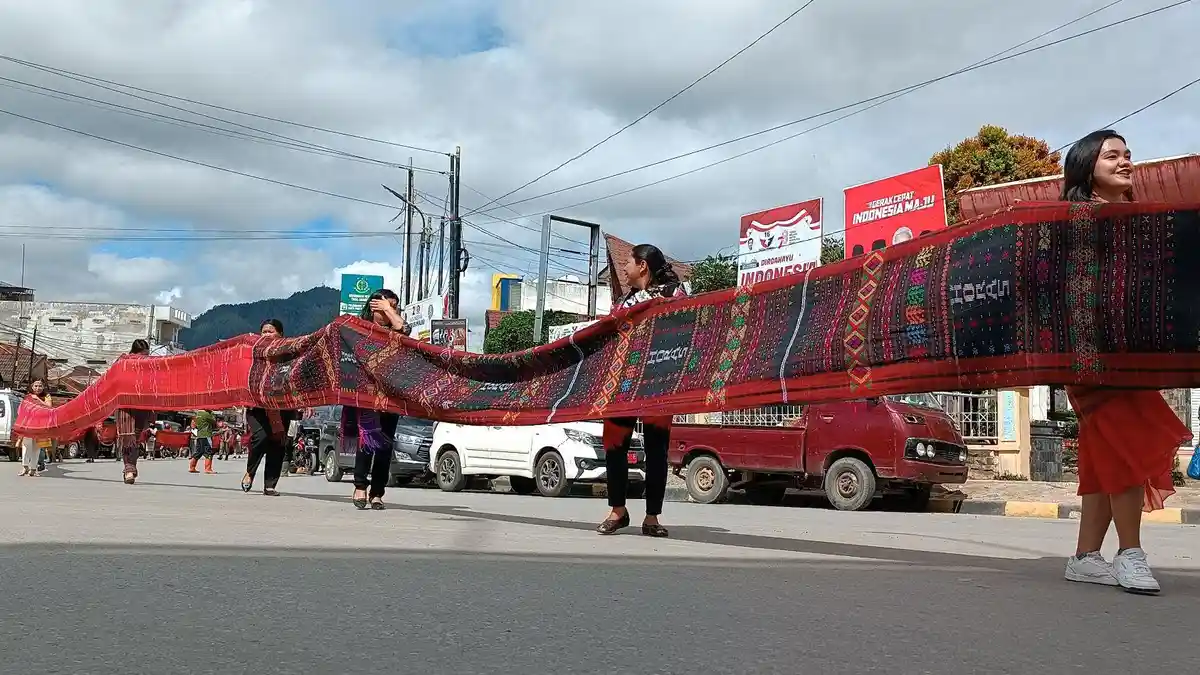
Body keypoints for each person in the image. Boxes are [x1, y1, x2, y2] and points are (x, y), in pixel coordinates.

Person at [1059, 129, 1192, 594]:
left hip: (1127, 355)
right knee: (1130, 442)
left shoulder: (1128, 218)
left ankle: (1085, 556)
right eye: (1111, 155)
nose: (1125, 161)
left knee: (1106, 449)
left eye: (1128, 154)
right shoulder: (1077, 220)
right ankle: (1130, 553)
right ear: (1086, 167)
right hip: (1093, 357)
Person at [596, 244, 687, 538]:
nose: (623, 268)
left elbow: (687, 328)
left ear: (643, 266)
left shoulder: (675, 295)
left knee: (657, 449)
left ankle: (652, 518)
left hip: (659, 381)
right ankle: (618, 511)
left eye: (627, 263)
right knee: (614, 443)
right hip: (623, 382)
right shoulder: (626, 301)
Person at [342, 289, 410, 509]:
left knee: (385, 444)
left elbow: (404, 329)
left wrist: (390, 311)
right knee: (368, 439)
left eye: (394, 306)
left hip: (391, 394)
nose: (392, 309)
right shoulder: (359, 328)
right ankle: (360, 485)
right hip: (365, 393)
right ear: (373, 307)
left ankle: (377, 492)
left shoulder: (395, 333)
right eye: (386, 305)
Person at [241, 319, 300, 496]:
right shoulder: (252, 353)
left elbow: (297, 376)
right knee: (260, 438)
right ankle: (250, 472)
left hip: (282, 405)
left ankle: (270, 485)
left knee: (278, 442)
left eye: (270, 331)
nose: (266, 335)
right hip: (257, 405)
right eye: (264, 332)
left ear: (280, 335)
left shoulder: (290, 353)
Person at [116, 340, 156, 484]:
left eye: (147, 355)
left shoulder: (149, 365)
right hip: (125, 405)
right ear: (134, 352)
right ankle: (129, 470)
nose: (145, 358)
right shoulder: (122, 362)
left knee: (135, 439)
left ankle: (130, 468)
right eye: (143, 354)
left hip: (141, 406)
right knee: (127, 438)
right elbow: (113, 379)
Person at [16, 379, 53, 477]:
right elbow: (20, 410)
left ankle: (33, 469)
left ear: (43, 387)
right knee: (26, 446)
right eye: (35, 386)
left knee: (36, 448)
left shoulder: (46, 396)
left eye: (40, 386)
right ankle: (25, 467)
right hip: (28, 425)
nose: (38, 388)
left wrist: (38, 399)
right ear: (32, 387)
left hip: (40, 425)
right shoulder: (28, 397)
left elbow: (49, 407)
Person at [188, 409, 217, 474]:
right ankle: (208, 469)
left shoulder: (197, 414)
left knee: (198, 451)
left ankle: (192, 467)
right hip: (206, 435)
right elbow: (214, 422)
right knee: (208, 452)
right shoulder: (207, 414)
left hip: (199, 435)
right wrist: (212, 414)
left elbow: (193, 425)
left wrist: (195, 433)